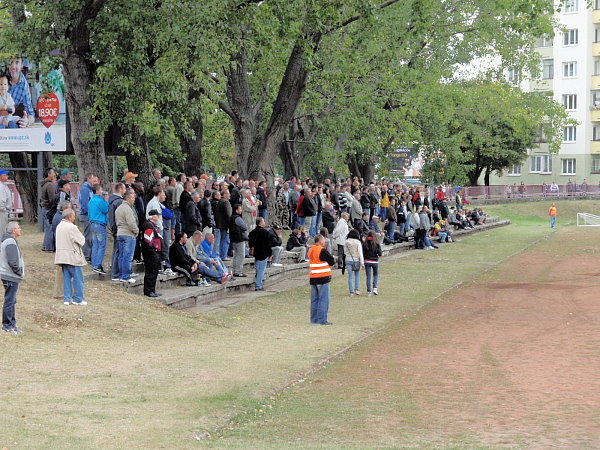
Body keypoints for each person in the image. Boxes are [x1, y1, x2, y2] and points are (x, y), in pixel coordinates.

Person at [54, 209, 87, 306]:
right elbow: (81, 241)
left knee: (66, 278)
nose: (75, 217)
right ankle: (78, 299)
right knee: (78, 278)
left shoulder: (59, 226)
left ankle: (67, 298)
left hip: (62, 257)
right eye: (73, 216)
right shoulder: (72, 227)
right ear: (69, 217)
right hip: (72, 256)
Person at [0, 221, 24, 333]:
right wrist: (18, 272)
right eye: (18, 228)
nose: (20, 229)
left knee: (12, 300)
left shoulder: (10, 240)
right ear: (13, 230)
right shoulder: (10, 242)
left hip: (10, 275)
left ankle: (12, 324)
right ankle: (7, 325)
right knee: (9, 300)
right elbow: (12, 261)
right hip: (10, 275)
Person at [307, 234, 335, 325]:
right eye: (323, 240)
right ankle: (322, 320)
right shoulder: (321, 250)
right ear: (320, 240)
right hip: (322, 278)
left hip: (313, 277)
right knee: (323, 300)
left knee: (314, 300)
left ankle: (314, 320)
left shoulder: (311, 250)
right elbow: (331, 260)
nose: (325, 242)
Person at [115, 191, 139, 283]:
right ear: (128, 198)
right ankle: (126, 276)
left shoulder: (119, 208)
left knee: (121, 256)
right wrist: (136, 231)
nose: (134, 200)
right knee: (128, 256)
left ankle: (121, 275)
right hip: (128, 234)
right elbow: (131, 223)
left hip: (120, 233)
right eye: (132, 198)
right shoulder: (128, 209)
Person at [88, 184, 109, 274]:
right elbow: (105, 209)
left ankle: (94, 265)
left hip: (93, 224)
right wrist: (106, 201)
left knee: (95, 245)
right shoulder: (100, 201)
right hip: (100, 224)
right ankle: (97, 265)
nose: (102, 191)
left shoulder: (91, 200)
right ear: (97, 191)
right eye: (100, 189)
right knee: (101, 245)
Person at [7, 58, 34, 128]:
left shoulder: (24, 86)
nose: (13, 66)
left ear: (22, 65)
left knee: (16, 120)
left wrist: (27, 121)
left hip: (7, 118)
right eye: (11, 62)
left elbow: (31, 114)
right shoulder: (2, 78)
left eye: (17, 62)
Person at [142, 209, 163, 297]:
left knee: (154, 272)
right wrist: (152, 250)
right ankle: (148, 291)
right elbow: (148, 240)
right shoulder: (148, 225)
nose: (158, 217)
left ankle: (152, 290)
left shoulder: (153, 225)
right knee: (150, 272)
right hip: (151, 253)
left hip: (155, 252)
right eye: (157, 215)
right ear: (153, 216)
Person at [108, 183, 126, 281]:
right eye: (124, 188)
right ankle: (116, 273)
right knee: (118, 251)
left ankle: (116, 273)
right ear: (120, 189)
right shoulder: (119, 202)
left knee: (117, 251)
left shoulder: (112, 201)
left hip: (116, 228)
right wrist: (115, 229)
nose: (125, 190)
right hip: (119, 229)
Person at [78, 173, 97, 264]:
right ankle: (86, 255)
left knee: (91, 236)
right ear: (88, 179)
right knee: (88, 236)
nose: (94, 182)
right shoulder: (85, 189)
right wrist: (90, 213)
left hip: (89, 215)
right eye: (93, 179)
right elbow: (85, 204)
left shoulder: (89, 189)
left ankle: (89, 255)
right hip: (87, 215)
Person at [248, 217, 272, 291]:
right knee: (261, 270)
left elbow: (250, 242)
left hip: (256, 253)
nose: (264, 223)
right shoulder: (265, 232)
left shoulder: (253, 232)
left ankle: (258, 284)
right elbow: (268, 244)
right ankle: (258, 285)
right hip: (263, 253)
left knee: (258, 269)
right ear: (261, 223)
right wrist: (270, 254)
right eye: (263, 221)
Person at [229, 203, 249, 277]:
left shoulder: (231, 217)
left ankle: (235, 270)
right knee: (240, 255)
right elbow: (244, 226)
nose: (241, 210)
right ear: (236, 210)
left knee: (236, 255)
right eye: (240, 209)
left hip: (234, 238)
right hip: (239, 238)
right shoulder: (237, 218)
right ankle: (238, 271)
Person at [40, 168, 57, 251]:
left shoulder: (44, 184)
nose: (54, 174)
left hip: (45, 208)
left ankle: (45, 246)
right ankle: (49, 247)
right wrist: (53, 208)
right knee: (50, 228)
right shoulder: (49, 185)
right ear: (49, 174)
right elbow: (52, 199)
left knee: (48, 228)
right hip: (49, 209)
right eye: (53, 173)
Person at [344, 229, 364, 296]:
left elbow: (345, 251)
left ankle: (351, 291)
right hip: (356, 259)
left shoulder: (346, 242)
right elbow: (360, 253)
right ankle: (357, 290)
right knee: (357, 275)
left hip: (348, 259)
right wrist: (362, 263)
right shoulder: (358, 242)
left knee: (350, 276)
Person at [362, 230, 382, 296]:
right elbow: (380, 253)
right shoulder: (376, 243)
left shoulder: (365, 243)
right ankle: (375, 288)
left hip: (367, 261)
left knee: (368, 276)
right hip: (375, 261)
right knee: (375, 275)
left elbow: (363, 253)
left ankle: (369, 291)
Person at [214, 188, 232, 260]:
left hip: (219, 224)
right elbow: (229, 214)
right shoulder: (226, 202)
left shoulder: (219, 202)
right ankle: (223, 255)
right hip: (225, 225)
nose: (229, 195)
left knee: (220, 240)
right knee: (225, 241)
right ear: (224, 194)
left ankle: (220, 254)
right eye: (228, 193)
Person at [0, 169, 12, 235]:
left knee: (3, 229)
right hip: (2, 212)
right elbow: (1, 200)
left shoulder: (3, 185)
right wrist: (4, 209)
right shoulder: (1, 187)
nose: (7, 176)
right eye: (6, 175)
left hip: (4, 211)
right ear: (1, 176)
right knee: (2, 230)